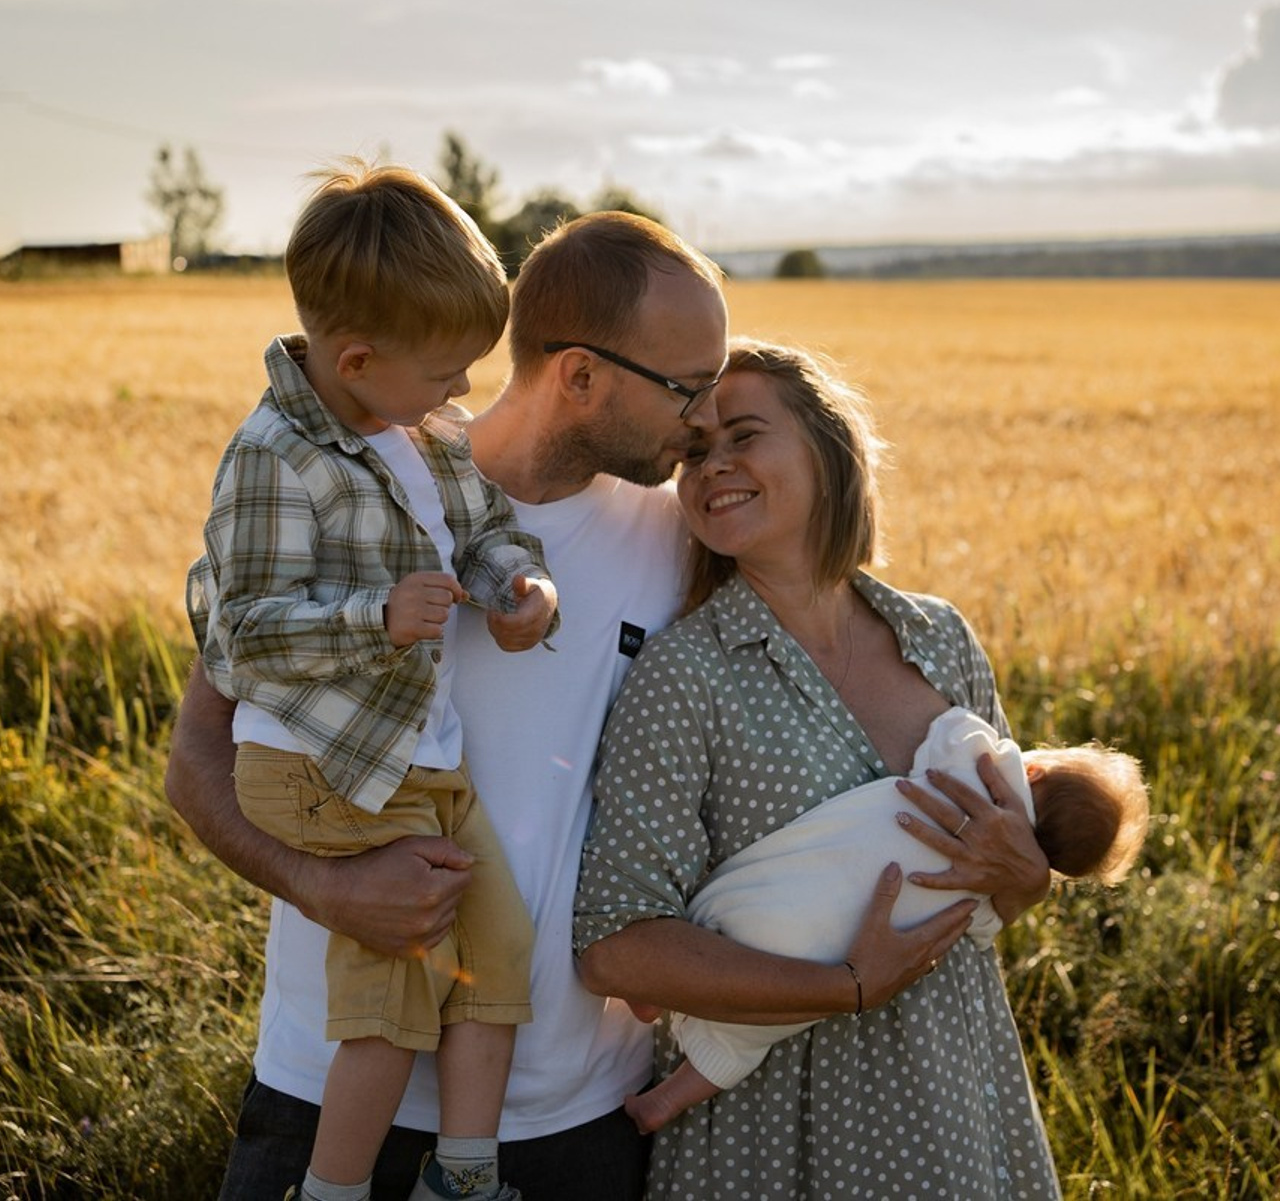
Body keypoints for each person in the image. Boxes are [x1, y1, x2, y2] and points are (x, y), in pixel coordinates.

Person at [166, 208, 736, 1201]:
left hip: (570, 1113)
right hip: (318, 1090)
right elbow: (196, 760)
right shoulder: (350, 480)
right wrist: (319, 884)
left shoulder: (685, 540)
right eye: (687, 388)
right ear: (580, 375)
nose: (705, 421)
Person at [574, 340, 1062, 1199]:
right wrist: (843, 987)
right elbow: (615, 946)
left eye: (744, 437)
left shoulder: (939, 638)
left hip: (956, 1092)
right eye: (693, 452)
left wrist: (1031, 880)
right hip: (778, 1124)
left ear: (828, 454)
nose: (712, 467)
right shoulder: (685, 675)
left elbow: (994, 890)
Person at [187, 160, 560, 1201]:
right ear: (355, 357)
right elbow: (242, 635)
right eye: (448, 370)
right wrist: (373, 618)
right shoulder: (272, 458)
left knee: (498, 951)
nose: (463, 393)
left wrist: (519, 584)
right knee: (394, 994)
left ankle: (464, 1176)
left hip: (416, 761)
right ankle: (333, 1191)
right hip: (322, 765)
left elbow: (483, 530)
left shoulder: (424, 431)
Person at [621, 706, 1150, 1135]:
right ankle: (663, 1103)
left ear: (1034, 770)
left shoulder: (986, 769)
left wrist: (994, 745)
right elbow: (984, 930)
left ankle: (657, 992)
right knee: (749, 1038)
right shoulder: (991, 889)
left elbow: (948, 729)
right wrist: (1026, 881)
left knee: (728, 911)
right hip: (835, 954)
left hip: (788, 891)